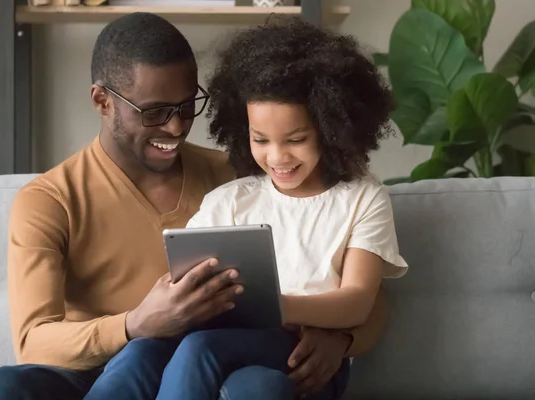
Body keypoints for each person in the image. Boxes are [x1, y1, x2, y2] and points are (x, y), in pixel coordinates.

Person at [0, 12, 390, 400]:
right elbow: (33, 342)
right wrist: (135, 325)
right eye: (155, 112)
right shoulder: (49, 200)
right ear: (103, 101)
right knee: (6, 386)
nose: (175, 127)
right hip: (101, 368)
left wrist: (339, 339)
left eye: (187, 105)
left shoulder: (243, 179)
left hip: (202, 360)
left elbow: (360, 296)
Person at [150, 16, 409, 400]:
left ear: (332, 128)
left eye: (296, 139)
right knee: (250, 386)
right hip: (236, 348)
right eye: (260, 139)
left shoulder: (362, 198)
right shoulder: (230, 200)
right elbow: (188, 283)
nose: (277, 157)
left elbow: (356, 302)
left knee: (201, 349)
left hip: (309, 354)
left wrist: (274, 308)